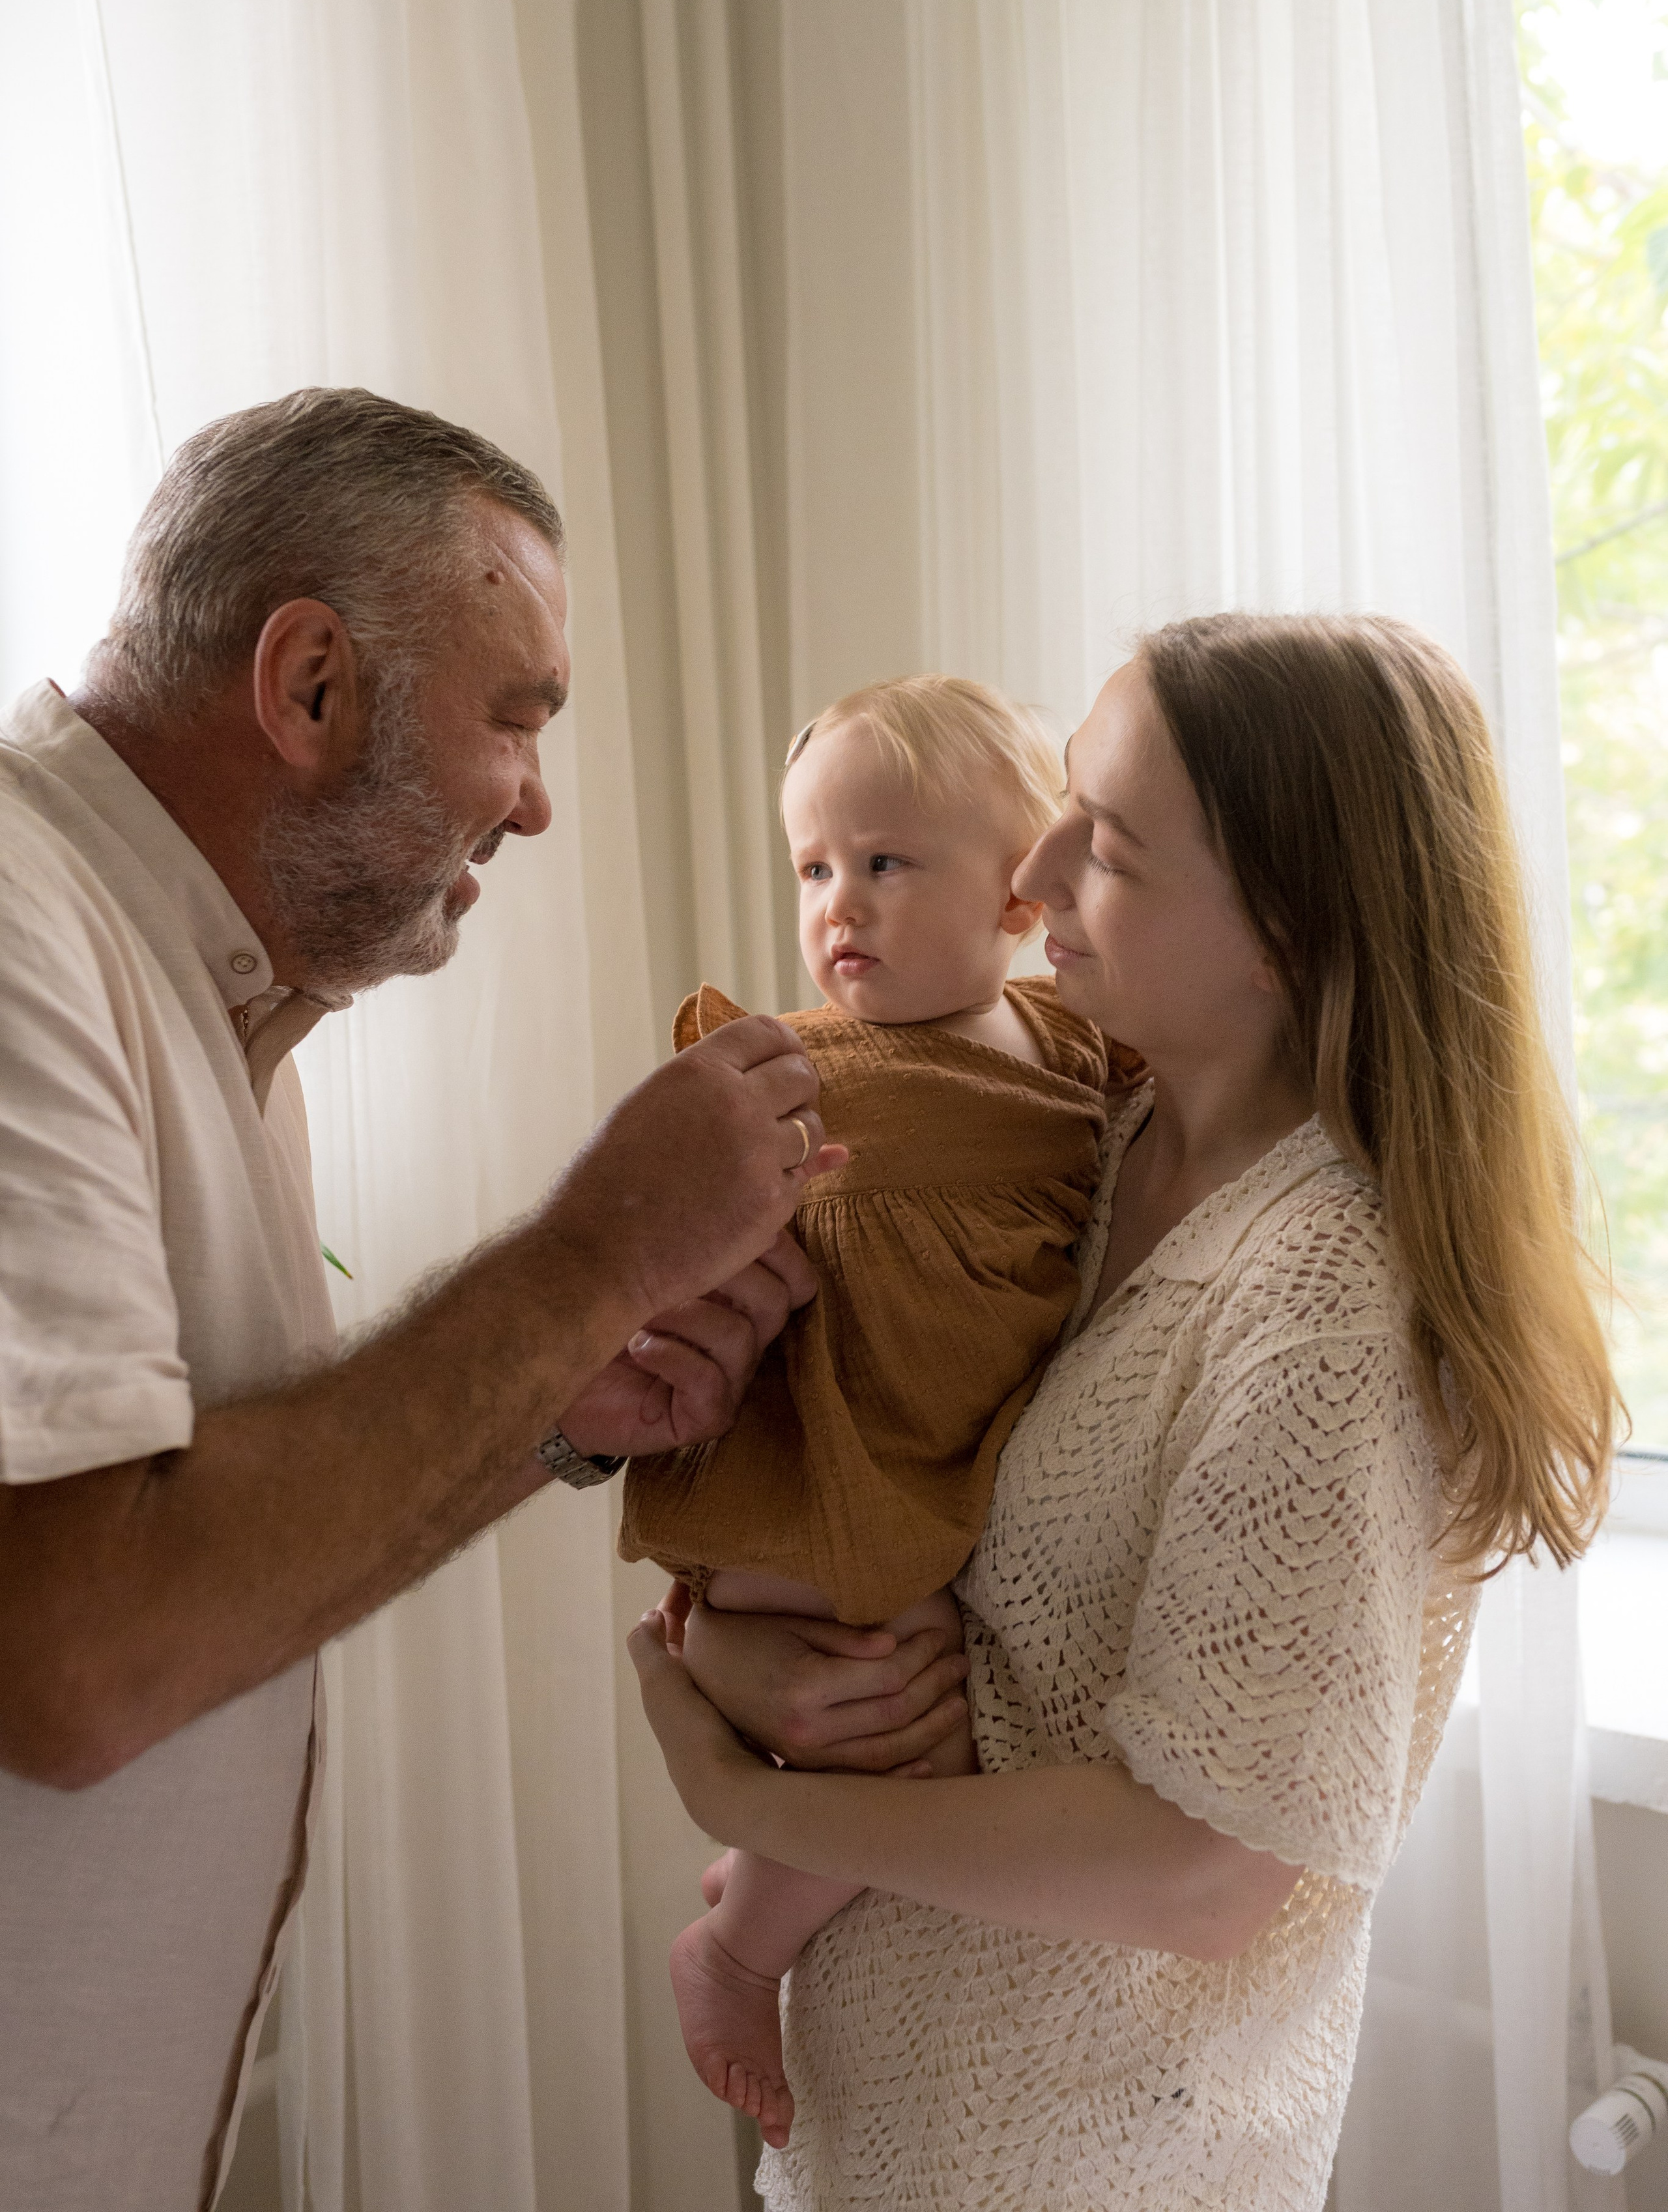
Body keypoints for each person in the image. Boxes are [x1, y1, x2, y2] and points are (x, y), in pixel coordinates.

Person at [629, 612, 1620, 2211]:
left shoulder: (1320, 1313)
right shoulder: (1081, 1132)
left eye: (1110, 843)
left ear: (1282, 930)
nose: (1033, 866)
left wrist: (752, 1799)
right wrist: (735, 1645)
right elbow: (946, 1543)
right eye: (1062, 802)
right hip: (882, 2117)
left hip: (1090, 2158)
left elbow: (1207, 1867)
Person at [0, 387, 841, 2212]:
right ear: (308, 684)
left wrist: (554, 1409)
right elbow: (78, 1661)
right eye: (516, 717)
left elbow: (215, 1545)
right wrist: (589, 1254)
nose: (538, 802)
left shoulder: (223, 1014)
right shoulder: (15, 925)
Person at [620, 677, 1143, 2145]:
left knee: (909, 1726)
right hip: (818, 1476)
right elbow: (671, 1218)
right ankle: (731, 1953)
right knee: (897, 1732)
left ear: (1019, 896)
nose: (835, 902)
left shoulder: (1078, 1057)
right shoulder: (802, 1075)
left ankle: (759, 1881)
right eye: (812, 867)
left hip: (928, 1476)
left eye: (886, 862)